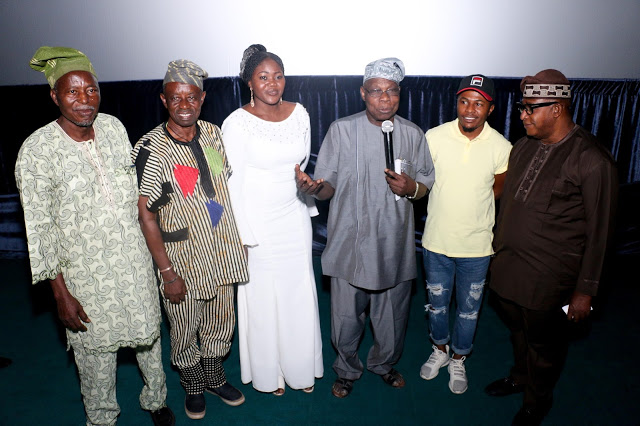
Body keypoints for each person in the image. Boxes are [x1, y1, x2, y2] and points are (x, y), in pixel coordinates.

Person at [14, 46, 175, 426]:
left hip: (133, 259)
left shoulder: (114, 127)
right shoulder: (37, 151)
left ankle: (156, 399)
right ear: (54, 96)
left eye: (91, 90)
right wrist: (60, 292)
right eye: (72, 92)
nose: (84, 100)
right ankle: (102, 417)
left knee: (149, 334)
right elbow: (40, 229)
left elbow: (136, 193)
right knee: (95, 353)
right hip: (84, 274)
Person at [297, 57, 435, 398]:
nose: (385, 99)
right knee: (345, 316)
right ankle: (346, 370)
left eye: (392, 92)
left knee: (392, 317)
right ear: (363, 93)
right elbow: (327, 186)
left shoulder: (413, 134)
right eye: (376, 91)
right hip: (350, 241)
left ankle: (383, 364)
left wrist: (411, 189)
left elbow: (426, 185)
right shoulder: (342, 130)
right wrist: (315, 188)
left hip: (394, 243)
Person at [485, 69, 617, 426]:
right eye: (522, 108)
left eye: (531, 108)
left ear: (557, 108)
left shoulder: (592, 160)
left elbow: (601, 234)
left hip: (550, 280)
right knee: (517, 331)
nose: (523, 115)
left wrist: (585, 293)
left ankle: (536, 401)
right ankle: (520, 377)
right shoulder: (524, 146)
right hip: (508, 270)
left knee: (545, 346)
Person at [132, 60, 249, 420]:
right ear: (164, 101)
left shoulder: (214, 133)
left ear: (202, 99)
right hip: (182, 257)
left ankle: (214, 374)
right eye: (176, 98)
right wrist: (166, 272)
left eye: (192, 97)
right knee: (184, 324)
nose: (185, 105)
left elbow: (221, 189)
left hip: (222, 251)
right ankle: (193, 382)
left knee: (221, 319)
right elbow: (145, 214)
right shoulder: (151, 148)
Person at [221, 44, 323, 396]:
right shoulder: (235, 123)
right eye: (263, 77)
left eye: (278, 76)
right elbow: (232, 184)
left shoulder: (301, 113)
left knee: (297, 296)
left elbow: (302, 164)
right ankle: (269, 375)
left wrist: (306, 189)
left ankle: (299, 369)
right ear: (249, 82)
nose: (272, 83)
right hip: (257, 225)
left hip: (294, 218)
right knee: (263, 301)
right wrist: (243, 236)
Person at [418, 75, 512, 395]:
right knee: (437, 304)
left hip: (476, 246)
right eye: (464, 101)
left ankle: (459, 357)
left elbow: (497, 191)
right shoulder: (434, 137)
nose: (470, 110)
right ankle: (440, 350)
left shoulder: (501, 147)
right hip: (436, 242)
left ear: (490, 109)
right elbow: (422, 181)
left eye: (479, 103)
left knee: (469, 309)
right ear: (456, 103)